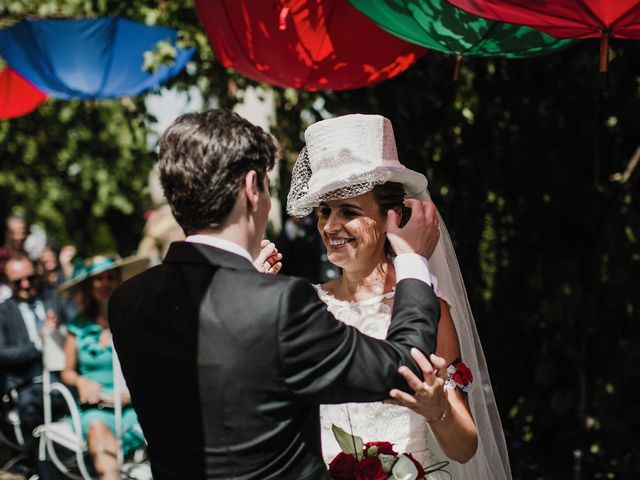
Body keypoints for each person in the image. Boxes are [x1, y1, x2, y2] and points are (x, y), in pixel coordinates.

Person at [108, 109, 442, 480]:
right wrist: (413, 261)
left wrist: (246, 286)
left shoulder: (128, 301)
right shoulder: (280, 305)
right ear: (252, 187)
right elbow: (405, 368)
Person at [286, 113, 512, 479]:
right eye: (324, 211)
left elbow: (465, 447)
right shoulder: (304, 306)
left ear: (391, 217)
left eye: (349, 211)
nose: (329, 226)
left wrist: (438, 409)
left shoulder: (427, 307)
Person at [57, 255, 149, 480]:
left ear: (118, 280)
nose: (105, 283)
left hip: (135, 406)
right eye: (99, 279)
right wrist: (81, 382)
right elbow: (66, 371)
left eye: (110, 277)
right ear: (90, 286)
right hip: (97, 407)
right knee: (98, 431)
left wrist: (133, 393)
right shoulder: (78, 327)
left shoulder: (135, 320)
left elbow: (150, 364)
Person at [0, 252, 66, 479]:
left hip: (63, 377)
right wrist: (39, 343)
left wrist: (59, 332)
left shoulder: (54, 298)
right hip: (27, 384)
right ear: (9, 282)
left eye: (30, 278)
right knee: (29, 410)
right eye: (19, 281)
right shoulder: (3, 311)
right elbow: (2, 353)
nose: (26, 285)